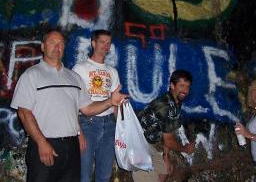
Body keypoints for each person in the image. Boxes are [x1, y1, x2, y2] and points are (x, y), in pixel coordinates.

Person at [10, 29, 127, 182]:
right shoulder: (32, 74)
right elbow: (24, 113)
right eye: (52, 42)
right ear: (43, 47)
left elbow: (87, 109)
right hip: (46, 142)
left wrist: (110, 102)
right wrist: (41, 142)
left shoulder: (74, 78)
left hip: (71, 146)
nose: (57, 47)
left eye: (61, 44)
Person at [72, 30, 120, 182]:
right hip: (87, 124)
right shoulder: (80, 68)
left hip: (109, 125)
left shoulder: (112, 71)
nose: (106, 46)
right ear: (93, 43)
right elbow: (73, 103)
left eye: (108, 43)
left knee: (104, 175)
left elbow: (115, 103)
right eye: (102, 42)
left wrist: (120, 129)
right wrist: (78, 133)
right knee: (83, 175)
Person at [132, 70, 195, 182]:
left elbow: (168, 131)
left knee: (164, 172)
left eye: (187, 87)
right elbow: (169, 141)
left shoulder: (176, 102)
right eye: (181, 86)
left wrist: (166, 156)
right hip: (137, 145)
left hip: (148, 145)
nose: (185, 90)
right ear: (172, 86)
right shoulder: (165, 106)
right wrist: (185, 149)